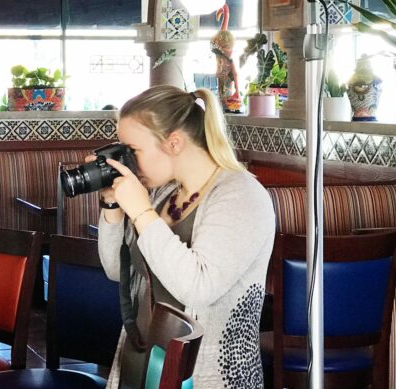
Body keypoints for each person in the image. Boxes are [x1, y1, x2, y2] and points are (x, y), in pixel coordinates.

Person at [97, 85, 275, 388]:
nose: (126, 161)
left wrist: (141, 213)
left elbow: (198, 288)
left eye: (133, 151)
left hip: (208, 373)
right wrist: (111, 205)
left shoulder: (241, 196)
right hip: (144, 359)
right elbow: (119, 271)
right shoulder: (165, 194)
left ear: (174, 143)